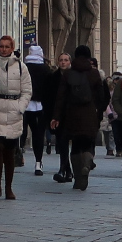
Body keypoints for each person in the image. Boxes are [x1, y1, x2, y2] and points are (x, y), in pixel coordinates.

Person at [51, 45, 107, 191]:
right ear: (89, 57)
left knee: (75, 146)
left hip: (72, 115)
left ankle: (78, 179)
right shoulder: (94, 74)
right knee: (88, 143)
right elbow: (102, 97)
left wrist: (56, 117)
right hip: (89, 114)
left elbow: (60, 97)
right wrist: (99, 112)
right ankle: (87, 162)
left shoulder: (68, 74)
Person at [0, 35, 31, 200]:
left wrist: (21, 107)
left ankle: (8, 187)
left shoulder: (21, 67)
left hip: (13, 110)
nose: (3, 49)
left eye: (7, 46)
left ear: (12, 48)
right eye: (1, 46)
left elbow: (27, 90)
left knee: (10, 152)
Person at [22, 46, 52, 176]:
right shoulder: (46, 69)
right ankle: (38, 162)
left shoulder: (23, 67)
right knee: (38, 134)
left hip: (24, 104)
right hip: (40, 106)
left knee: (21, 132)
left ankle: (18, 152)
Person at [49, 53, 73, 183]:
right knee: (62, 143)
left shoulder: (74, 76)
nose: (63, 62)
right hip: (58, 116)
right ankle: (65, 169)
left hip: (72, 115)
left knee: (71, 144)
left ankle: (67, 170)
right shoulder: (54, 77)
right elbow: (50, 97)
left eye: (66, 60)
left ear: (70, 62)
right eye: (61, 60)